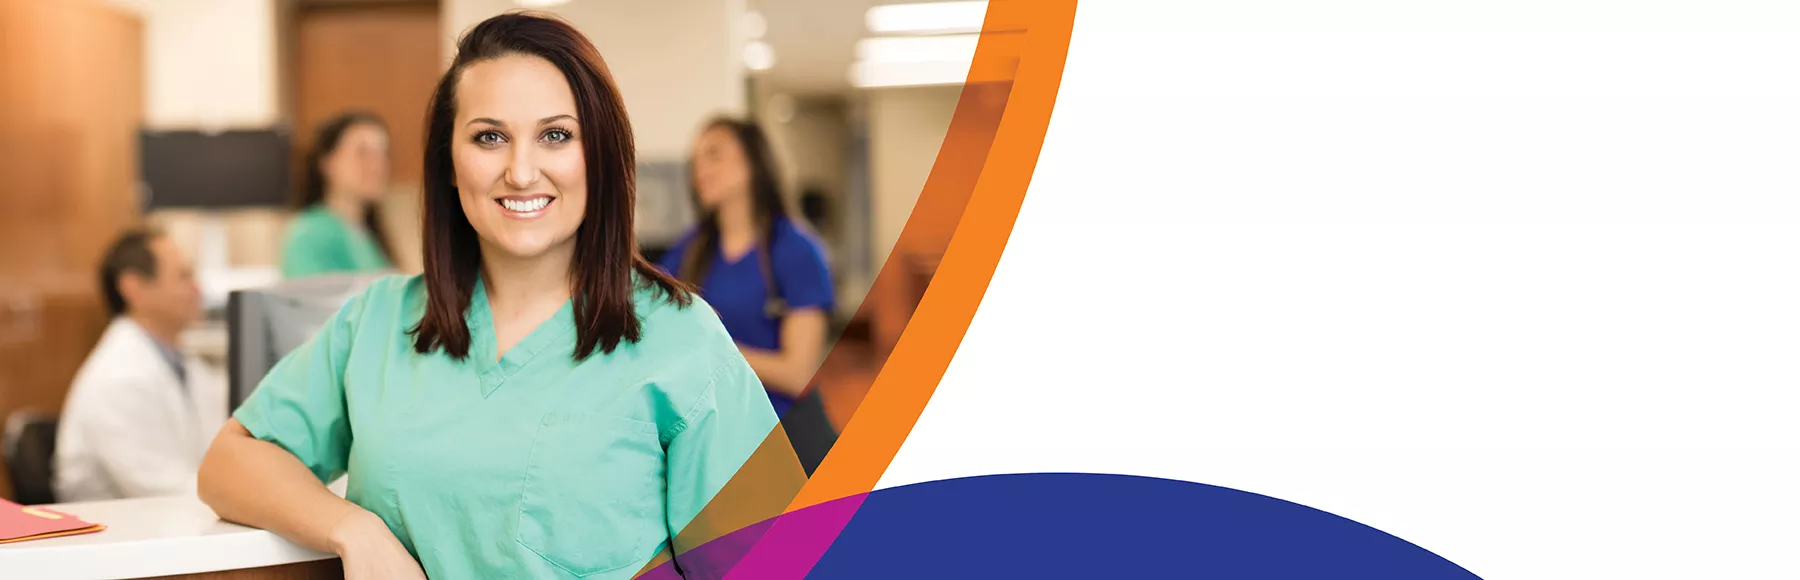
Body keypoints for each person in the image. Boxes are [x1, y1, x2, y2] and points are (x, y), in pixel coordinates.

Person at [197, 13, 778, 580]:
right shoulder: (379, 322)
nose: (521, 172)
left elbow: (776, 560)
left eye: (556, 135)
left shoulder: (681, 339)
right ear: (450, 163)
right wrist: (353, 528)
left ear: (597, 154)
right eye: (489, 137)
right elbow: (230, 462)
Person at [659, 118, 836, 421]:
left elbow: (798, 374)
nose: (699, 169)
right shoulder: (692, 248)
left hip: (781, 431)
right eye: (695, 160)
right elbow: (651, 309)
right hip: (718, 426)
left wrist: (712, 345)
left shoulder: (796, 250)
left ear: (753, 163)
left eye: (714, 154)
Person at [54, 228, 223, 502]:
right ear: (134, 288)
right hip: (123, 534)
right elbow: (157, 487)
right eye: (183, 276)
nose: (197, 289)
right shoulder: (117, 377)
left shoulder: (185, 365)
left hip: (176, 521)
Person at [281, 111, 395, 279]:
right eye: (362, 153)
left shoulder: (366, 234)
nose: (376, 165)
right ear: (327, 163)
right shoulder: (308, 235)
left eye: (383, 153)